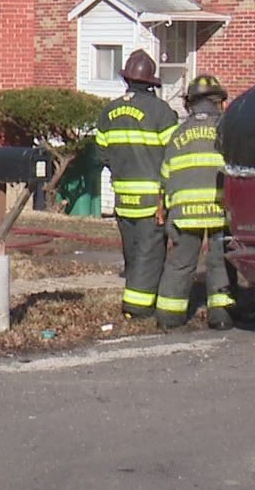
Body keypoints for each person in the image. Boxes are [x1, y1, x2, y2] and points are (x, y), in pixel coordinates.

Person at [95, 50, 180, 319]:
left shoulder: (108, 112)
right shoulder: (161, 112)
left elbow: (101, 154)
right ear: (150, 83)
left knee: (132, 251)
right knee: (150, 253)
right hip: (152, 200)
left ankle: (134, 295)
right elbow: (174, 154)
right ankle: (138, 307)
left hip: (122, 197)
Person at [156, 74, 233, 330]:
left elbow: (165, 174)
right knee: (219, 261)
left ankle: (169, 317)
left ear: (190, 103)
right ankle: (221, 315)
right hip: (219, 210)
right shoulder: (226, 131)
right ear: (218, 101)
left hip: (184, 212)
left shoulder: (177, 135)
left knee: (180, 263)